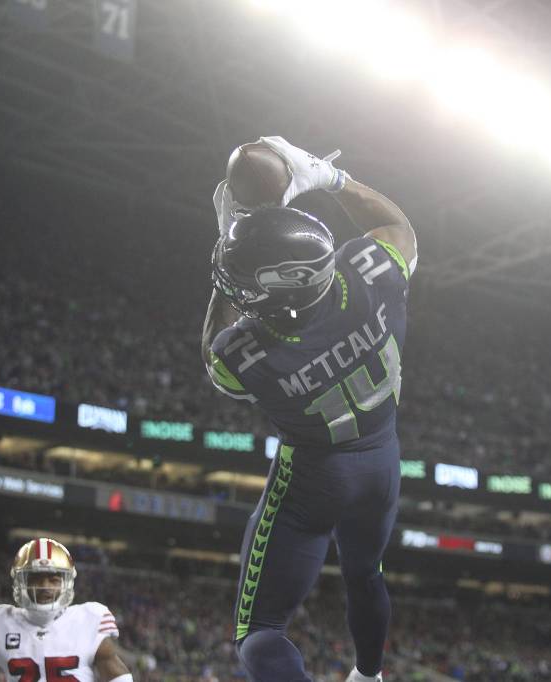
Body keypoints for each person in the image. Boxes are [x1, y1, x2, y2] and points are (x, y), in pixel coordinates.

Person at [203, 137, 417, 682]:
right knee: (366, 574)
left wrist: (229, 243)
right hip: (383, 462)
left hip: (315, 479)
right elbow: (396, 225)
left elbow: (214, 352)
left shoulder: (246, 354)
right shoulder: (369, 272)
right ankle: (369, 676)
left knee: (260, 632)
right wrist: (329, 178)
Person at [0, 537, 132, 682]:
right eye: (36, 578)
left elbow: (118, 677)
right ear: (21, 582)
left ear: (66, 583)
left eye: (53, 579)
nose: (45, 586)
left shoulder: (88, 619)